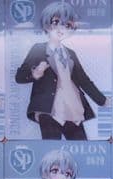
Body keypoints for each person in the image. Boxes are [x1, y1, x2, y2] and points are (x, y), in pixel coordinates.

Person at [14, 2, 107, 140]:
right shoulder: (38, 49)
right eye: (56, 22)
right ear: (47, 24)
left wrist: (103, 101)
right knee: (52, 147)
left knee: (80, 146)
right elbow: (20, 76)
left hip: (72, 108)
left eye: (67, 25)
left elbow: (84, 80)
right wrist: (35, 74)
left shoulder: (71, 53)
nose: (61, 28)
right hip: (48, 109)